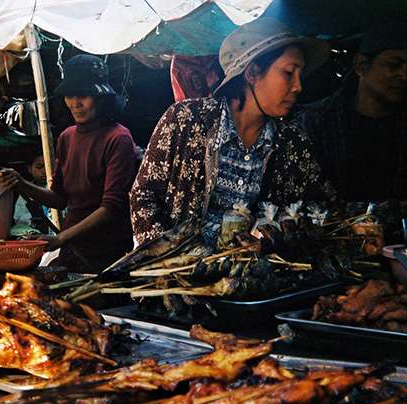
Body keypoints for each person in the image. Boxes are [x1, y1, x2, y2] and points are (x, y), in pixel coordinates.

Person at [130, 18, 335, 247]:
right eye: (289, 73)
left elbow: (322, 204)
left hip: (251, 277)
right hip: (179, 273)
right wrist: (166, 256)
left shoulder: (292, 143)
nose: (298, 86)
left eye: (300, 74)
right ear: (252, 73)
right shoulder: (185, 120)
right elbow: (143, 195)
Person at [297, 21, 407, 242]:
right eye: (394, 65)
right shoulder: (317, 122)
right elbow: (316, 206)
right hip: (336, 252)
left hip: (405, 253)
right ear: (361, 66)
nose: (404, 75)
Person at [0, 55, 137, 273]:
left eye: (84, 95)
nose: (75, 103)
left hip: (108, 251)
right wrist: (21, 183)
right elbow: (59, 199)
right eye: (69, 95)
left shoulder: (118, 138)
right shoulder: (66, 137)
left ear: (101, 97)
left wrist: (60, 238)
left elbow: (110, 208)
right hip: (72, 248)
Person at [10, 154, 50, 237]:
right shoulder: (26, 190)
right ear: (29, 169)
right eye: (39, 167)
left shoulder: (59, 188)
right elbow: (18, 216)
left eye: (48, 166)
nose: (44, 171)